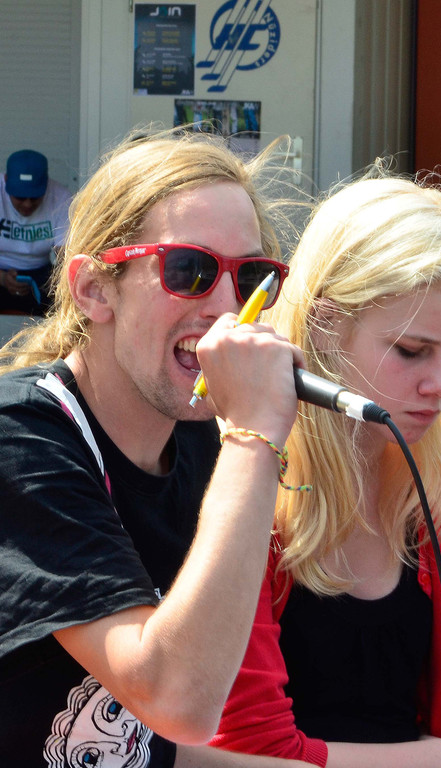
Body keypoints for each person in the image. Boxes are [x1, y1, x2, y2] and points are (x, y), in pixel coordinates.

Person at [179, 170, 441, 768]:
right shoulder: (244, 486)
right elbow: (249, 746)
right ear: (325, 326)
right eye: (412, 350)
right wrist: (435, 760)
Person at [0, 130, 311, 767]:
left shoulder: (195, 442)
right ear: (94, 289)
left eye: (252, 277)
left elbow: (150, 750)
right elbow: (177, 700)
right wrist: (252, 438)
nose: (227, 310)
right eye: (189, 270)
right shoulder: (22, 436)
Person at [0, 149, 71, 314]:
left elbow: (65, 256)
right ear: (6, 181)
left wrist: (61, 285)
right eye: (20, 197)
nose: (27, 204)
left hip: (40, 270)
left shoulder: (61, 197)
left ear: (46, 185)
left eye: (34, 197)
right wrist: (3, 279)